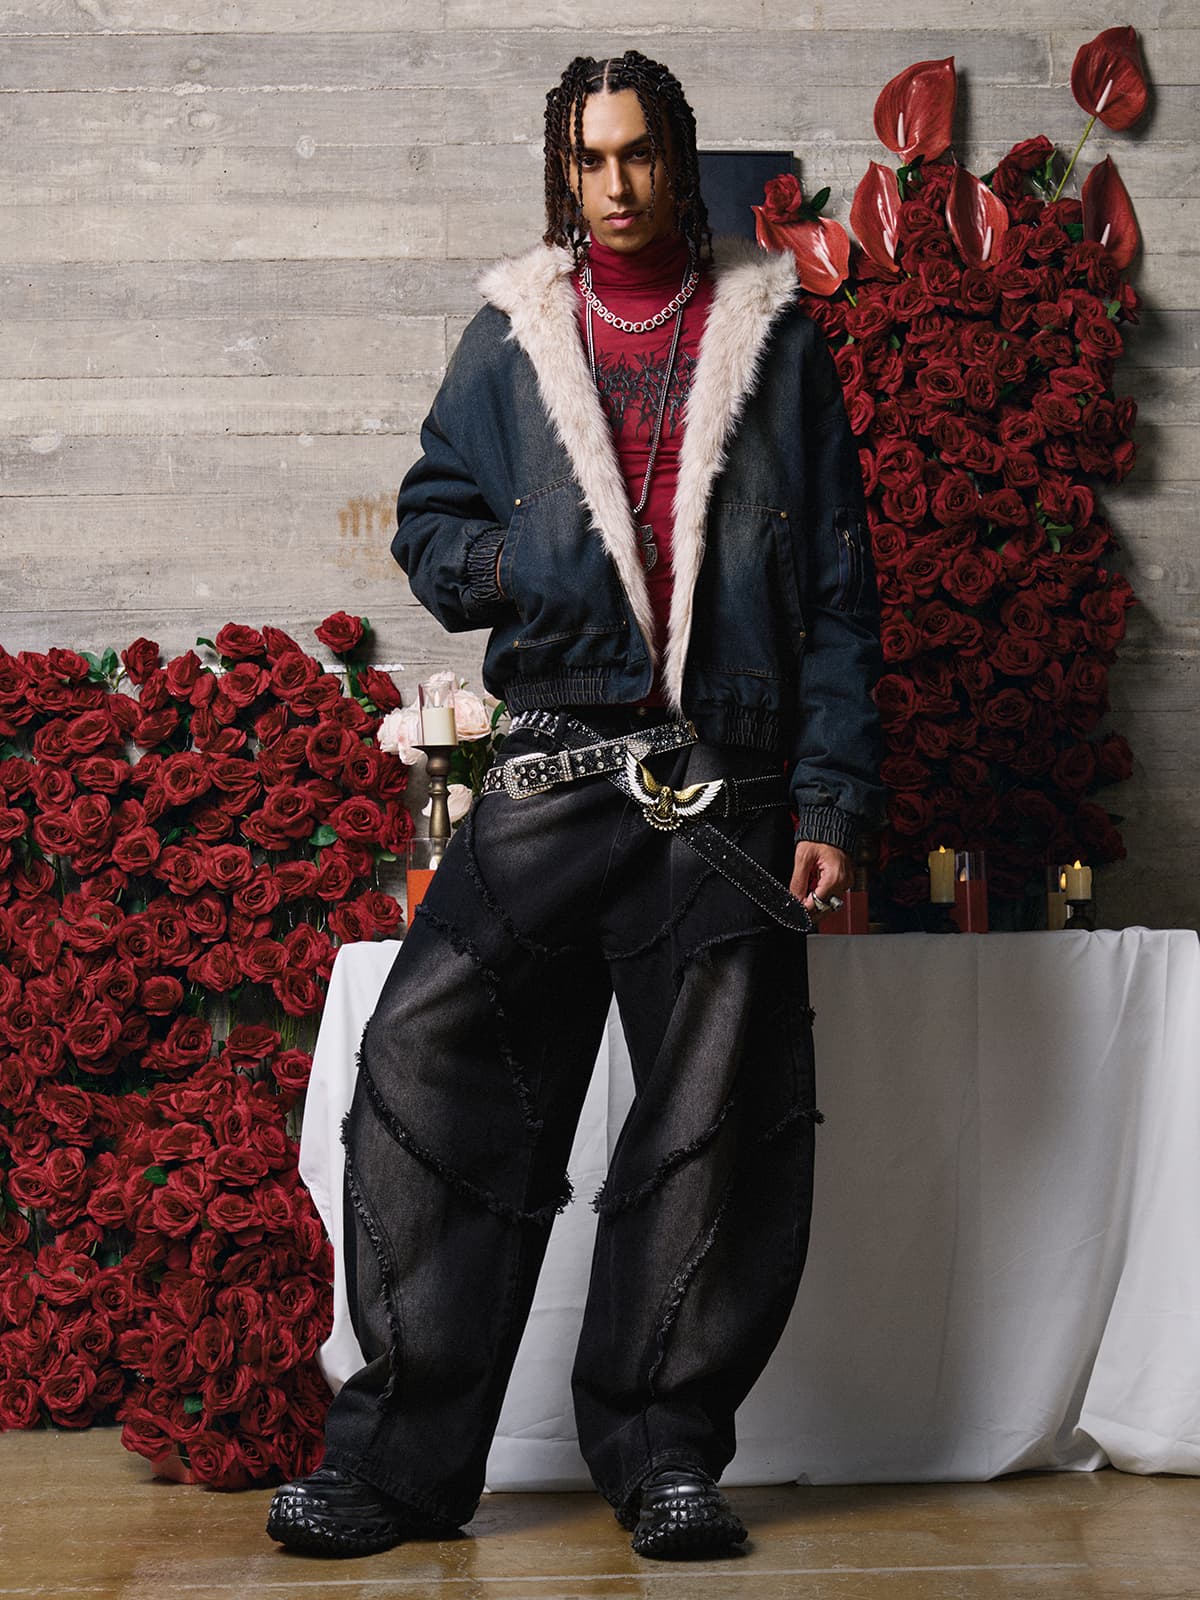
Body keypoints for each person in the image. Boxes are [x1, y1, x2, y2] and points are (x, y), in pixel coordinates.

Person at [267, 49, 883, 1562]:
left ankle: (666, 1458)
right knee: (422, 1074)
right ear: (566, 172)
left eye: (639, 155)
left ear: (680, 160)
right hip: (550, 759)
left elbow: (844, 596)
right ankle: (404, 1467)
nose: (614, 186)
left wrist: (830, 790)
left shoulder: (777, 342)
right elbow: (431, 519)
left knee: (714, 1131)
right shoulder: (511, 339)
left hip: (723, 778)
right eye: (589, 160)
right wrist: (512, 569)